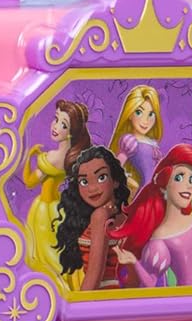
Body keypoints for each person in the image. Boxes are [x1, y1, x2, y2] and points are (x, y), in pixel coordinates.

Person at [111, 144, 192, 288]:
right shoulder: (159, 241)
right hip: (182, 300)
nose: (189, 185)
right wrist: (134, 262)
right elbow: (150, 283)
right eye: (179, 177)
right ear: (164, 183)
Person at [23, 99, 91, 286]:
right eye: (56, 119)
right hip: (59, 208)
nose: (55, 126)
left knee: (45, 253)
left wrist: (29, 156)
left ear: (71, 132)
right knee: (57, 249)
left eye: (63, 124)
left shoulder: (52, 158)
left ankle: (51, 286)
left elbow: (29, 182)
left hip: (44, 210)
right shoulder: (72, 157)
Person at [54, 146, 131, 291]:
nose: (92, 188)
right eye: (84, 182)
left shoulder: (100, 216)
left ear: (115, 180)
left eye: (101, 177)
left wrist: (81, 303)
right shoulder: (119, 215)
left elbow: (94, 277)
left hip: (101, 295)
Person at [109, 85, 163, 196]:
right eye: (139, 112)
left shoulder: (152, 143)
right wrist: (131, 183)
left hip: (157, 190)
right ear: (129, 114)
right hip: (143, 193)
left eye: (151, 114)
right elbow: (115, 168)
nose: (145, 120)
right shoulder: (130, 141)